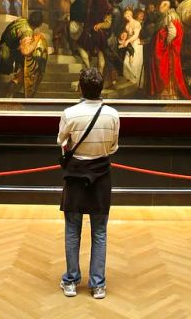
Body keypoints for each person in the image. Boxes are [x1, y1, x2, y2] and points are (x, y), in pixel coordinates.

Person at [57, 67, 119, 300]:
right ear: (101, 88)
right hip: (101, 175)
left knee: (73, 230)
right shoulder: (112, 114)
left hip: (75, 176)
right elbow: (113, 147)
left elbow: (61, 141)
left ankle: (71, 281)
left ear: (81, 88)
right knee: (100, 231)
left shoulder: (70, 113)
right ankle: (98, 284)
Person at [0, 11, 47, 97]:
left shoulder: (21, 21)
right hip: (5, 55)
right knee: (23, 75)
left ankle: (10, 95)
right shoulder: (27, 32)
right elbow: (25, 51)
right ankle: (8, 96)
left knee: (23, 70)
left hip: (2, 49)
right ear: (40, 24)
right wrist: (37, 38)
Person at [121, 7, 143, 86]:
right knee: (127, 62)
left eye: (128, 15)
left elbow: (136, 36)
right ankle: (129, 82)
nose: (127, 17)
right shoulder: (127, 25)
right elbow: (127, 35)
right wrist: (124, 39)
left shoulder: (137, 23)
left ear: (131, 14)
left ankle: (135, 83)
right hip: (130, 45)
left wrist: (127, 41)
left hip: (136, 45)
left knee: (134, 63)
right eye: (125, 16)